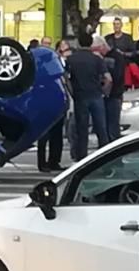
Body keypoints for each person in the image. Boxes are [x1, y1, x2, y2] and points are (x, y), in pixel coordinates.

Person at [66, 31, 111, 160]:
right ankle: (105, 159)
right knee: (101, 129)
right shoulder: (97, 59)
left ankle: (82, 158)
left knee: (82, 131)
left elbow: (66, 78)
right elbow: (108, 79)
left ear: (79, 43)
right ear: (91, 43)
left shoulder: (71, 59)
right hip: (96, 95)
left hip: (80, 96)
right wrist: (103, 92)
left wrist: (72, 92)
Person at [36, 40, 65, 172]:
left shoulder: (56, 64)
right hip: (44, 102)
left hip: (56, 101)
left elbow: (64, 81)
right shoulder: (38, 66)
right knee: (44, 134)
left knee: (56, 134)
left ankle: (54, 161)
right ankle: (43, 163)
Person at [103, 40, 127, 141]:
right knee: (107, 124)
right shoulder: (106, 56)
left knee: (113, 124)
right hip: (109, 94)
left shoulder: (117, 57)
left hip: (115, 94)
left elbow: (117, 75)